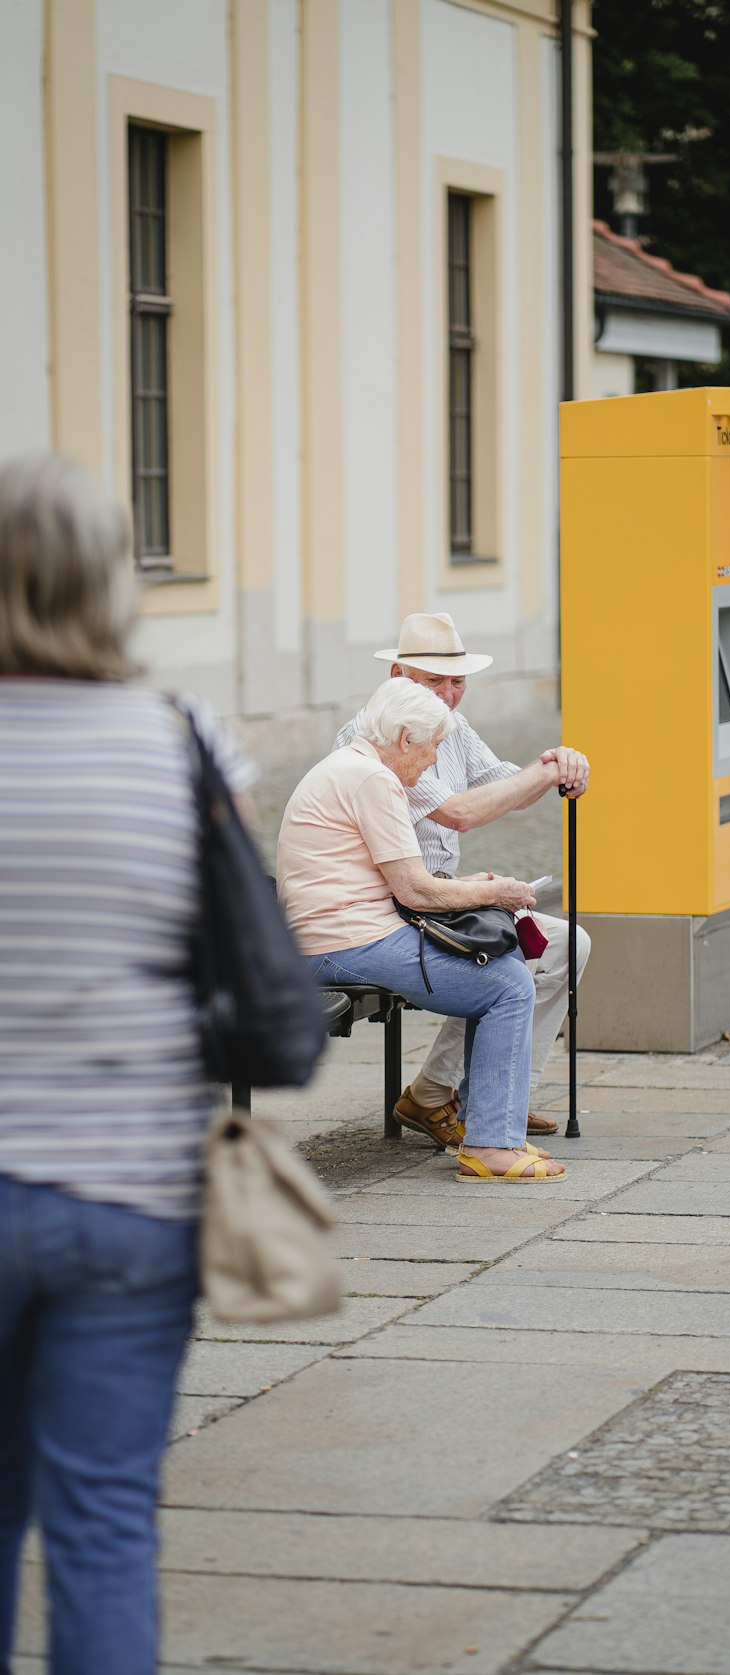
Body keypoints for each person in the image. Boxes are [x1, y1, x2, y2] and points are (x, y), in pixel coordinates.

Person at [0, 453, 255, 1675]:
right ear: (112, 582)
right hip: (133, 1197)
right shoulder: (183, 740)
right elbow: (242, 951)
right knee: (104, 1526)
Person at [277, 676, 566, 1182]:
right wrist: (494, 893)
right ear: (406, 737)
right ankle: (491, 1146)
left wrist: (471, 886)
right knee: (507, 983)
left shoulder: (354, 768)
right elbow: (415, 891)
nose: (433, 761)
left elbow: (403, 881)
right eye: (431, 747)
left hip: (337, 934)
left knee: (501, 972)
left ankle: (492, 1132)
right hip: (342, 941)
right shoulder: (372, 778)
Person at [336, 612, 591, 1149]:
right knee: (508, 962)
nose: (450, 695)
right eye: (436, 682)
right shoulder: (381, 735)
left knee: (569, 944)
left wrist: (554, 764)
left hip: (436, 895)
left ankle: (478, 1096)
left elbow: (504, 784)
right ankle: (469, 1103)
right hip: (392, 904)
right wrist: (542, 775)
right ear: (399, 678)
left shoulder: (451, 725)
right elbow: (459, 813)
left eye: (458, 682)